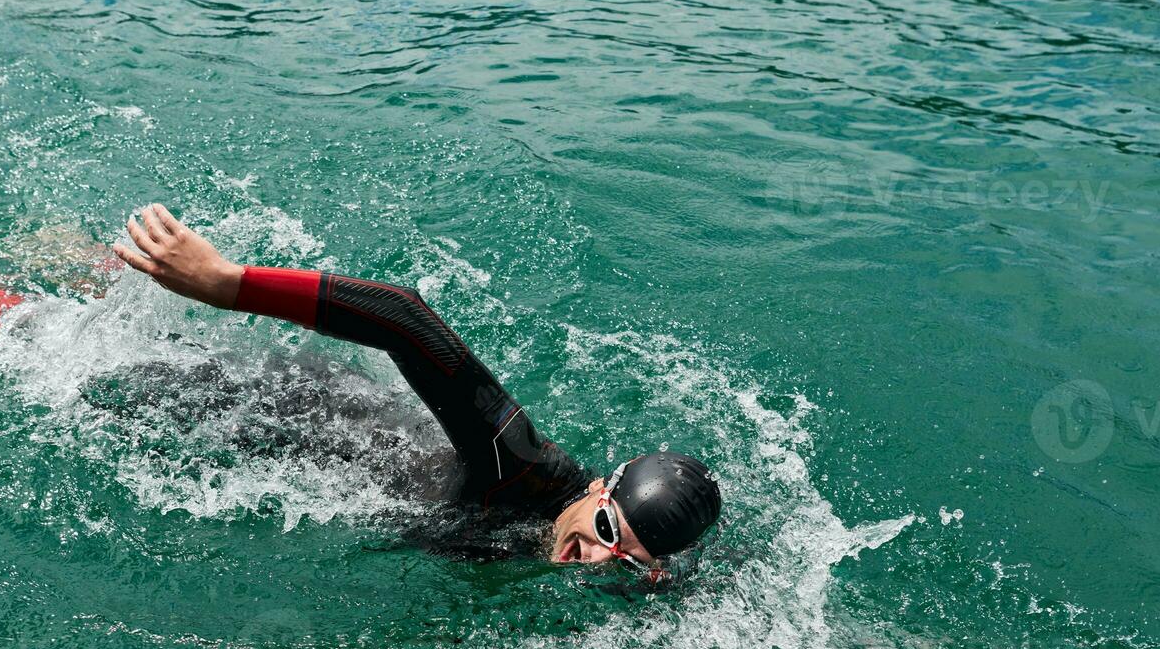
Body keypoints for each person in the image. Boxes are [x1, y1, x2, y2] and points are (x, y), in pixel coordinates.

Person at [113, 204, 723, 575]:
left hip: (321, 451)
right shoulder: (517, 467)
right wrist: (227, 283)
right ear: (598, 490)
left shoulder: (628, 567)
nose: (594, 559)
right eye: (608, 532)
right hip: (290, 414)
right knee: (65, 351)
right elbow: (407, 319)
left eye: (627, 560)